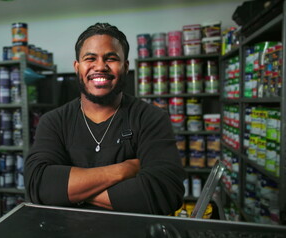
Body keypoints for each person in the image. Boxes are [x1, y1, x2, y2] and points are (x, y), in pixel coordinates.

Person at [24, 23, 185, 215]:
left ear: (125, 67)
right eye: (90, 58)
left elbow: (165, 193)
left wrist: (67, 192)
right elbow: (39, 185)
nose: (100, 66)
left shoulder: (151, 118)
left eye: (111, 58)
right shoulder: (54, 121)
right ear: (77, 67)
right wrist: (123, 170)